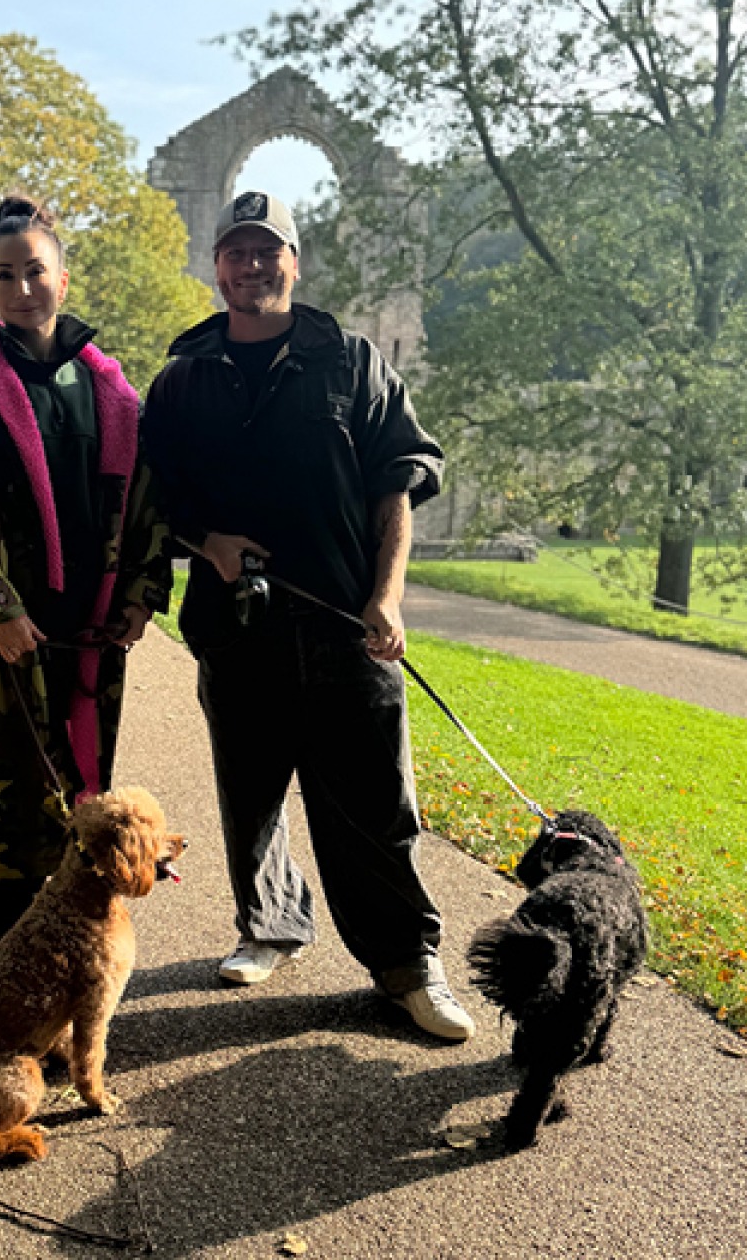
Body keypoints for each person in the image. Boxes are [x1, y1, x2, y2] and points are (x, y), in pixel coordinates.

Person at [141, 189, 474, 1040]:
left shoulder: (352, 361)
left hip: (346, 626)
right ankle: (270, 926)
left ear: (295, 259)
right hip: (234, 628)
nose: (251, 265)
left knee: (373, 803)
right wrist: (206, 540)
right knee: (249, 797)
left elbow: (396, 481)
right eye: (235, 252)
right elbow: (151, 498)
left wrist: (388, 594)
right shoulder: (181, 379)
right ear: (215, 266)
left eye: (268, 250)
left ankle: (407, 964)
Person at [0, 195, 172, 946]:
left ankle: (61, 971)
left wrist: (142, 596)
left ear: (64, 279)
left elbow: (148, 503)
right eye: (4, 275)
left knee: (75, 800)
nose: (22, 289)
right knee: (9, 807)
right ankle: (12, 982)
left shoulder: (111, 393)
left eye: (35, 272)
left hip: (84, 639)